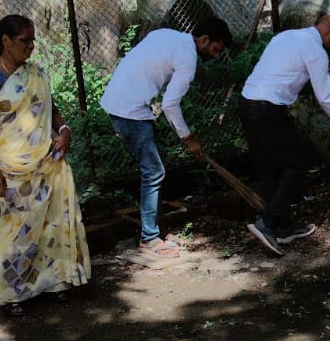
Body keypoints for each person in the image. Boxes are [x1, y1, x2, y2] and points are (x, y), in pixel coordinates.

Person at [0, 15, 91, 316]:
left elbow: (50, 110)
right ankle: (13, 293)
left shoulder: (34, 73)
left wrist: (64, 132)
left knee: (51, 224)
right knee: (18, 230)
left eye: (33, 39)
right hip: (14, 169)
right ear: (5, 42)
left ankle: (54, 283)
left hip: (47, 162)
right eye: (24, 40)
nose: (31, 46)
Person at [100, 18, 233, 261]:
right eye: (215, 50)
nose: (215, 56)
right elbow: (170, 104)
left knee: (154, 170)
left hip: (122, 103)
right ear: (204, 40)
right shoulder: (189, 57)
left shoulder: (168, 35)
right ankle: (149, 238)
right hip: (129, 110)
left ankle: (155, 231)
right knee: (153, 171)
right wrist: (188, 138)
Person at [238, 14, 330, 256]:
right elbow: (325, 97)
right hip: (269, 109)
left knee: (270, 167)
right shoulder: (316, 51)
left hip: (247, 103)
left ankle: (283, 226)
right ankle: (267, 222)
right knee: (296, 164)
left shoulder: (286, 36)